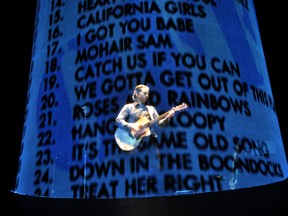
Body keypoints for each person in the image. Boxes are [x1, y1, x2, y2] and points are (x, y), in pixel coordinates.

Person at [114, 84, 175, 153]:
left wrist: (167, 118)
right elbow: (118, 120)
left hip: (151, 142)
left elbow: (159, 124)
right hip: (134, 142)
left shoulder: (151, 109)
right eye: (145, 93)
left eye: (148, 94)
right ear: (137, 93)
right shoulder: (128, 107)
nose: (147, 96)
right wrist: (131, 127)